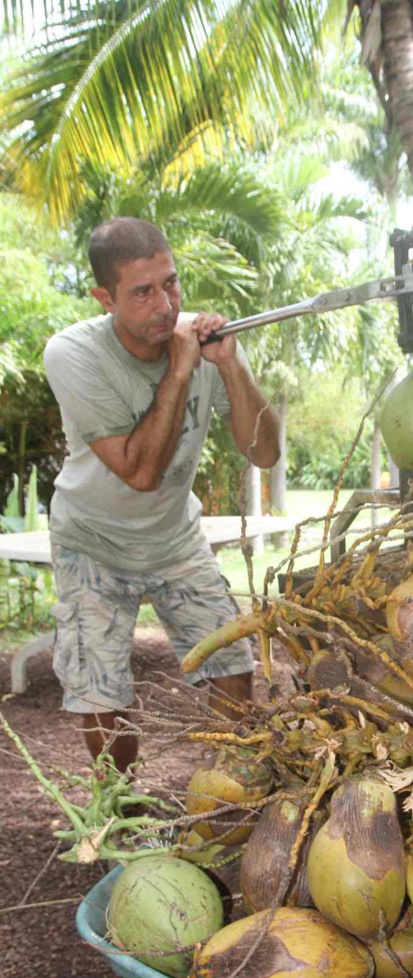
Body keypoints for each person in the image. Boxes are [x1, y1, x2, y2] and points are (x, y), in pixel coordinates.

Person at [43, 217, 280, 772]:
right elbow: (140, 472)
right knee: (103, 696)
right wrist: (178, 372)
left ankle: (232, 796)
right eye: (143, 292)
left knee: (234, 668)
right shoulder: (73, 354)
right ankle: (120, 809)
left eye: (170, 283)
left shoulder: (203, 341)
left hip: (174, 540)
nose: (166, 306)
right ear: (105, 297)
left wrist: (230, 371)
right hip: (93, 542)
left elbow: (264, 453)